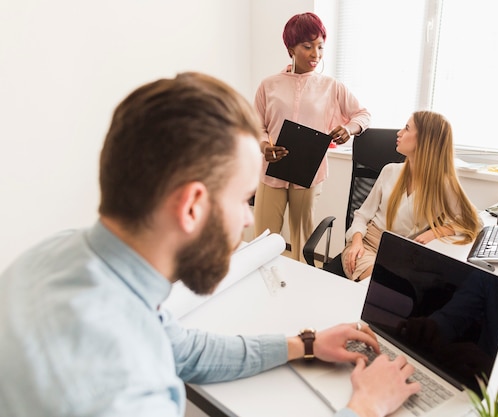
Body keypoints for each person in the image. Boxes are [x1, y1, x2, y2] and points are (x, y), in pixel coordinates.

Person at [0, 72, 420, 417]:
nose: (248, 218)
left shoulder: (62, 254)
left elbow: (183, 348)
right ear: (192, 207)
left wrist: (305, 344)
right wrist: (364, 408)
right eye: (242, 199)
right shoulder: (125, 388)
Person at [253, 12, 371, 262]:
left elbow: (363, 114)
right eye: (307, 46)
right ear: (291, 49)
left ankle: (301, 291)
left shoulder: (332, 86)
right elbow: (256, 124)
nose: (315, 54)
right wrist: (264, 144)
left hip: (309, 172)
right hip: (271, 170)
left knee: (303, 240)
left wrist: (349, 129)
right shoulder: (268, 85)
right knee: (262, 239)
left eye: (320, 47)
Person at [342, 111, 482, 281]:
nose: (399, 133)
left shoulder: (444, 184)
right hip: (367, 246)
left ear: (425, 139)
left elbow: (474, 222)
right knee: (381, 285)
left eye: (407, 128)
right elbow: (362, 215)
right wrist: (356, 241)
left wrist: (437, 232)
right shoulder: (390, 171)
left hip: (405, 255)